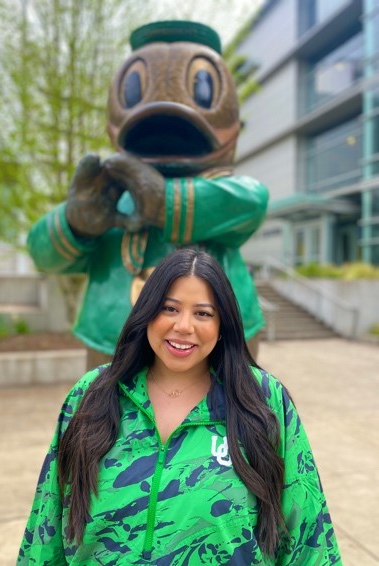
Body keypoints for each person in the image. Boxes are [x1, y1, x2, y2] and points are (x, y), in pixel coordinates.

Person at [18, 248, 342, 565]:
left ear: (222, 324)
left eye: (203, 313)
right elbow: (46, 526)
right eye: (169, 308)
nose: (184, 326)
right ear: (146, 312)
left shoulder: (262, 400)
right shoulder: (93, 394)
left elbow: (308, 534)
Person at [27, 20, 269, 368]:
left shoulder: (229, 196)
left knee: (224, 402)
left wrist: (160, 200)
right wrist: (76, 223)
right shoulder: (110, 198)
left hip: (218, 347)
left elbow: (252, 201)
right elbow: (43, 255)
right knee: (107, 403)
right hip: (112, 339)